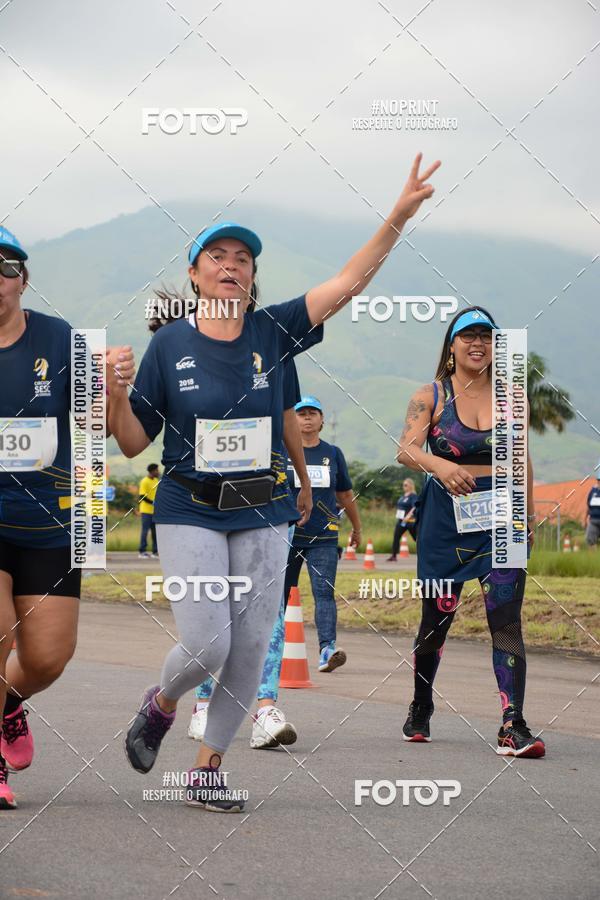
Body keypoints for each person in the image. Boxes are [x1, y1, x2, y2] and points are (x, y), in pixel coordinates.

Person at [107, 153, 440, 812]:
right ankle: (161, 703)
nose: (232, 265)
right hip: (189, 507)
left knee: (252, 645)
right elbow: (132, 441)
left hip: (265, 509)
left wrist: (398, 216)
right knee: (208, 643)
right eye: (218, 256)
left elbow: (346, 284)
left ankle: (207, 769)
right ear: (195, 273)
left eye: (244, 259)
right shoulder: (169, 345)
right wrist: (116, 394)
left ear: (253, 277)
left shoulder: (274, 330)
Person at [396, 306, 545, 758]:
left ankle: (512, 725)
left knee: (506, 621)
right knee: (436, 622)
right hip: (445, 520)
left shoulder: (512, 396)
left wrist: (529, 511)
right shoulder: (431, 395)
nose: (478, 343)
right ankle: (421, 704)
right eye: (469, 336)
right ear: (452, 346)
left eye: (487, 336)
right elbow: (406, 450)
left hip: (502, 515)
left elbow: (521, 456)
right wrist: (442, 466)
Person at [0, 228, 82, 809]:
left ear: (23, 281)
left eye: (7, 268)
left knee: (48, 658)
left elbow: (100, 429)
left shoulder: (60, 339)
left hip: (49, 522)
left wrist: (114, 388)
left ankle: (9, 704)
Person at [189, 360, 309, 750]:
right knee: (215, 607)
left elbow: (288, 418)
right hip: (206, 503)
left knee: (268, 609)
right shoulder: (190, 350)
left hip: (268, 498)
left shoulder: (275, 351)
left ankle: (266, 709)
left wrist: (303, 480)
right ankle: (204, 703)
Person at [283, 395, 361, 672]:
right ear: (293, 419)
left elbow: (345, 494)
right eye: (301, 413)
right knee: (280, 594)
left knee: (323, 593)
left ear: (321, 420)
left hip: (324, 536)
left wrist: (357, 527)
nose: (306, 417)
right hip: (287, 535)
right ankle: (273, 650)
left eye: (312, 413)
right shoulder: (283, 451)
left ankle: (327, 650)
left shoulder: (333, 453)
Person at [387, 477, 418, 561]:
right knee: (396, 537)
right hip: (401, 521)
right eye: (403, 485)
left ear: (411, 486)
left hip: (410, 521)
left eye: (406, 485)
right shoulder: (403, 496)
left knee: (417, 538)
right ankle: (393, 556)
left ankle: (425, 554)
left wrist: (408, 515)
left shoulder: (413, 496)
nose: (404, 487)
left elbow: (415, 506)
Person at [138, 463, 160, 558]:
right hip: (146, 511)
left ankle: (155, 552)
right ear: (152, 471)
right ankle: (142, 551)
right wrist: (152, 502)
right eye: (157, 470)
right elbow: (142, 496)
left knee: (155, 532)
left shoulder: (156, 480)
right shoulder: (144, 481)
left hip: (154, 511)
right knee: (145, 531)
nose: (158, 472)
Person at [584, 475, 600, 548]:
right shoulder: (593, 491)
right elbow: (588, 506)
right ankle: (593, 558)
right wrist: (585, 519)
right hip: (593, 521)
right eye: (598, 480)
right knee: (590, 541)